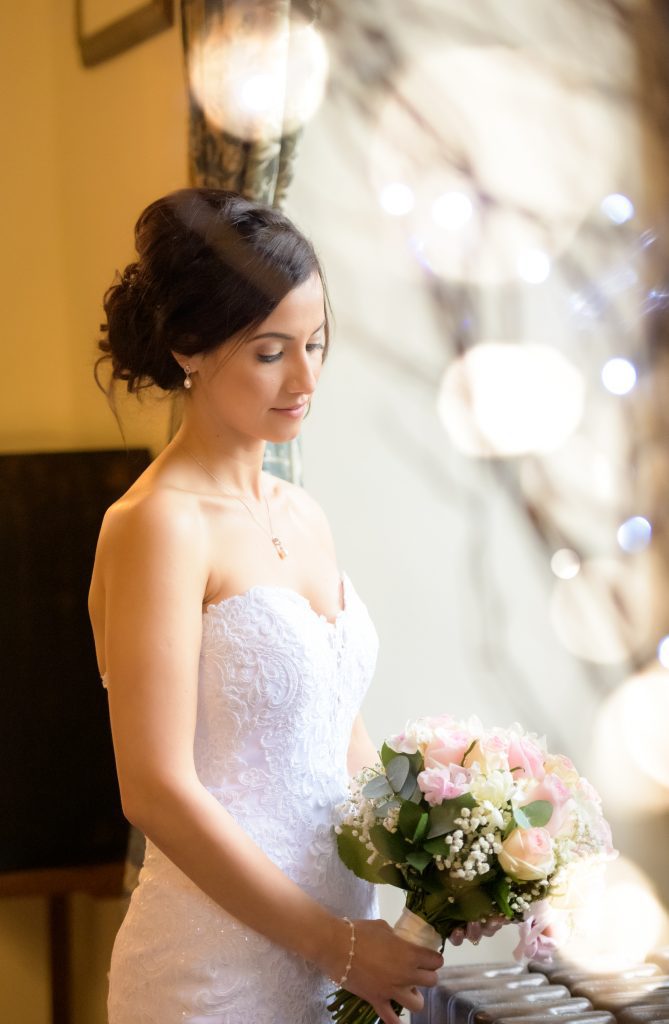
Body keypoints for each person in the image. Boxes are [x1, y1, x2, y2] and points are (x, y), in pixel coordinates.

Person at [88, 188, 443, 1024]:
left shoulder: (301, 512)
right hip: (211, 974)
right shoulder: (156, 526)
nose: (306, 377)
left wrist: (454, 853)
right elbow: (155, 791)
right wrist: (336, 943)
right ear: (189, 349)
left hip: (342, 961)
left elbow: (336, 729)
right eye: (270, 351)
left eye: (315, 343)